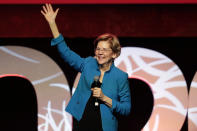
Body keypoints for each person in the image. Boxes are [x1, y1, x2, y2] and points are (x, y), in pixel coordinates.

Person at [41, 4, 131, 131]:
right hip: (82, 124)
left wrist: (104, 98)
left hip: (105, 127)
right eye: (98, 49)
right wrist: (52, 24)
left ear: (114, 54)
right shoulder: (88, 64)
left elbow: (126, 109)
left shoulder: (120, 77)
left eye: (105, 50)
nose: (100, 52)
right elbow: (66, 53)